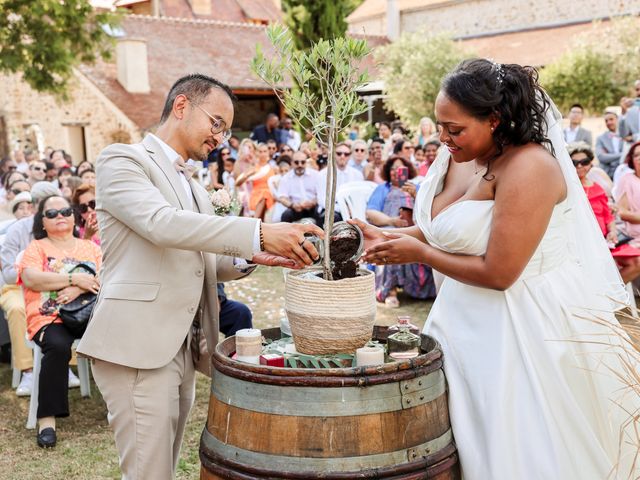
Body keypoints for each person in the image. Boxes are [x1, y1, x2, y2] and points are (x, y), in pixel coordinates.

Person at [357, 59, 639, 479]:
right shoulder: (460, 155)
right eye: (439, 126)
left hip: (522, 326)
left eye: (455, 129)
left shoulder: (531, 167)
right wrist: (392, 237)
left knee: (517, 448)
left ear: (494, 120)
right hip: (458, 318)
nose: (443, 138)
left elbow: (499, 272)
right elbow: (442, 228)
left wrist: (418, 254)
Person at [76, 74, 322, 480]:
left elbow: (203, 258)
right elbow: (161, 224)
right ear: (182, 106)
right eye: (217, 123)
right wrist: (257, 230)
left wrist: (254, 255)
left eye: (225, 129)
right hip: (138, 343)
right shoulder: (122, 159)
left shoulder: (194, 185)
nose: (221, 138)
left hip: (183, 344)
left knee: (163, 468)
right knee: (147, 474)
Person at [19, 194, 102, 447]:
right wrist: (74, 280)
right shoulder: (37, 248)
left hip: (90, 312)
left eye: (64, 211)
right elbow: (32, 278)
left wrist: (78, 290)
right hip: (50, 315)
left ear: (74, 215)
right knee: (56, 346)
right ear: (42, 222)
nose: (60, 217)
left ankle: (123, 406)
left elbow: (105, 277)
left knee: (116, 336)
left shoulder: (91, 248)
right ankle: (47, 420)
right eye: (51, 214)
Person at [0, 182, 63, 398]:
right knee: (18, 309)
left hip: (52, 287)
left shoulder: (61, 229)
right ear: (35, 206)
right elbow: (8, 273)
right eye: (48, 208)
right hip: (16, 288)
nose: (55, 214)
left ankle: (65, 365)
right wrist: (30, 268)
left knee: (66, 303)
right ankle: (27, 370)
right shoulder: (18, 229)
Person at [366, 155, 436, 307]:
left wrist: (417, 195)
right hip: (390, 225)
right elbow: (371, 213)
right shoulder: (383, 188)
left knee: (427, 237)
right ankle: (389, 291)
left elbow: (431, 211)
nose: (396, 172)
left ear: (407, 171)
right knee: (390, 237)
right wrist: (391, 221)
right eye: (392, 169)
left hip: (414, 227)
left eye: (400, 169)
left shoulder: (417, 187)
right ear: (387, 172)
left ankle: (424, 289)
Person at [569, 142, 640, 283]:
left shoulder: (598, 188)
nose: (579, 166)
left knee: (636, 262)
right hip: (583, 242)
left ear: (590, 164)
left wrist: (612, 232)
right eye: (574, 163)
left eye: (584, 162)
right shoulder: (569, 188)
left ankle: (612, 293)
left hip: (606, 240)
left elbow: (608, 216)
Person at [315, 142, 363, 225]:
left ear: (350, 156)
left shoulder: (357, 174)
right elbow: (322, 200)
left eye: (346, 154)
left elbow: (359, 197)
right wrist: (342, 209)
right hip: (329, 209)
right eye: (339, 153)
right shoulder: (323, 174)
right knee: (333, 218)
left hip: (352, 210)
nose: (342, 156)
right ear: (333, 155)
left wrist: (351, 209)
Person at [235, 143, 275, 221]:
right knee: (263, 196)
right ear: (257, 153)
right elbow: (237, 182)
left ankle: (255, 221)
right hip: (254, 195)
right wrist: (249, 174)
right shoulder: (253, 167)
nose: (263, 154)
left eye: (265, 151)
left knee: (265, 194)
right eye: (260, 151)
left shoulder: (273, 168)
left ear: (268, 152)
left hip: (270, 195)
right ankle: (255, 221)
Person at [277, 151, 318, 223]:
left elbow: (322, 194)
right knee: (286, 215)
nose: (300, 165)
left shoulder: (315, 175)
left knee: (323, 214)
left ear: (306, 162)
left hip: (314, 207)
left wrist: (313, 202)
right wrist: (292, 205)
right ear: (292, 163)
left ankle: (323, 234)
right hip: (295, 208)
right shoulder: (286, 178)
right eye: (296, 162)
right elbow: (282, 197)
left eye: (303, 162)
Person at [614, 142, 640, 247]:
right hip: (636, 237)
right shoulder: (627, 180)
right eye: (636, 155)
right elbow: (622, 212)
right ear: (632, 160)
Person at [595, 111, 624, 179]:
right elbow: (601, 157)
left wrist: (609, 157)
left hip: (625, 172)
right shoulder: (600, 138)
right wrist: (623, 154)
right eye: (606, 121)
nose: (609, 122)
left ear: (618, 119)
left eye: (611, 119)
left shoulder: (626, 136)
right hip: (607, 174)